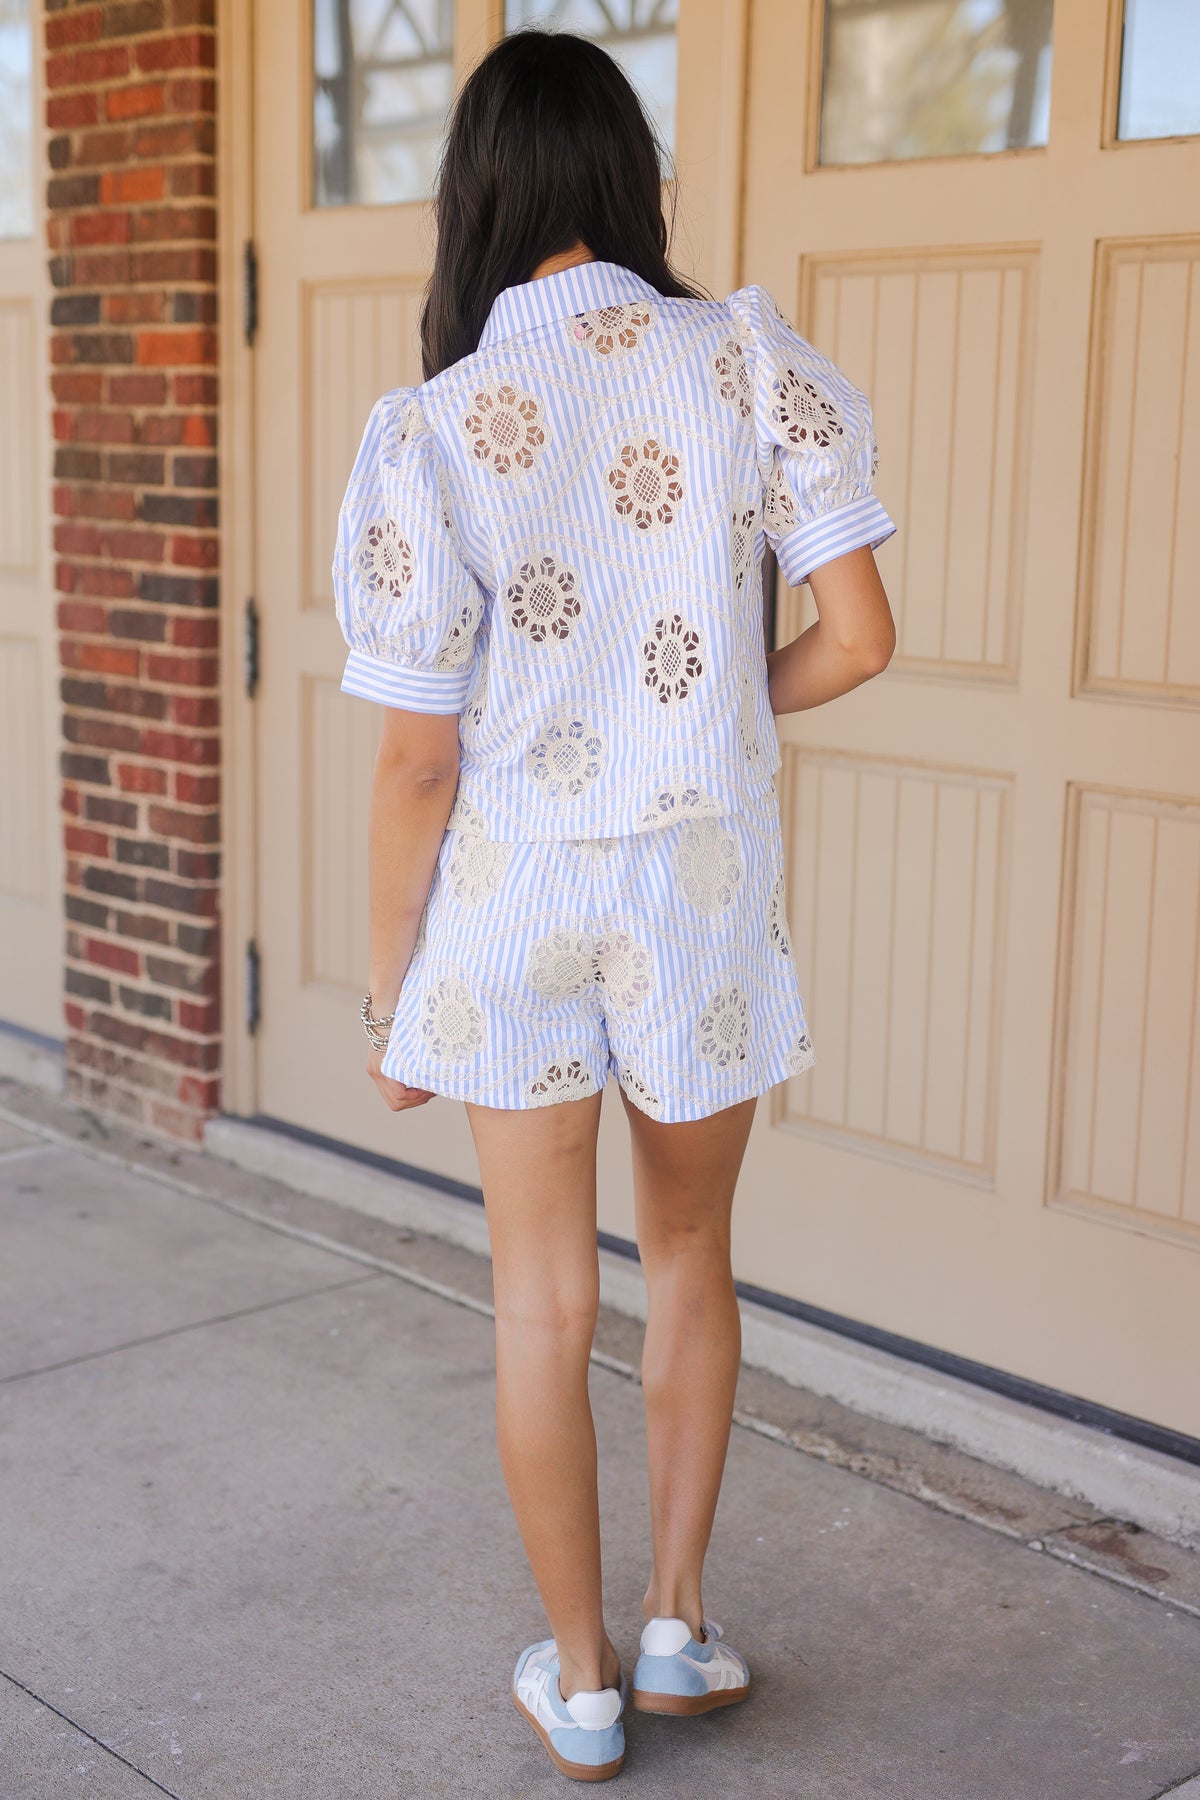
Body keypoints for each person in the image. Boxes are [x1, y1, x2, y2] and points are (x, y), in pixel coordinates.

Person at [332, 27, 896, 1784]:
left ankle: (575, 1684)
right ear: (627, 179)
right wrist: (716, 716)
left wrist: (386, 988)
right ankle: (675, 1627)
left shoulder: (429, 428)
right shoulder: (741, 357)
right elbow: (862, 637)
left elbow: (418, 764)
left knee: (538, 1302)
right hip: (701, 884)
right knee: (697, 1256)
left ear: (480, 195)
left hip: (512, 896)